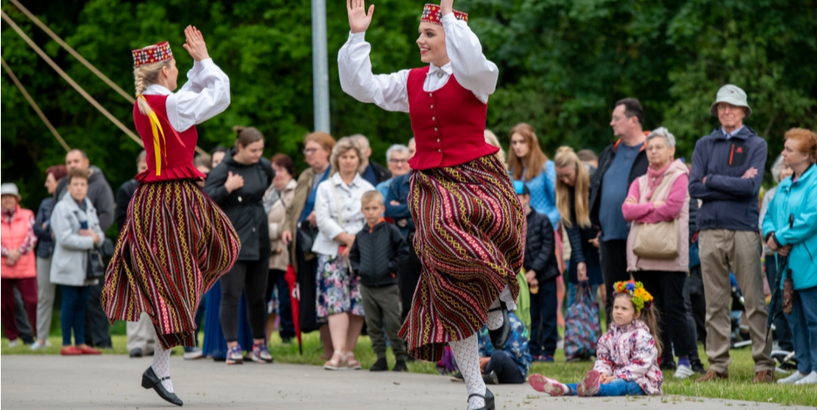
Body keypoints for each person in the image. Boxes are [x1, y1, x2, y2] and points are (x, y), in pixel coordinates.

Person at [340, 1, 526, 408]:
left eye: (429, 34)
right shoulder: (413, 82)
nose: (419, 40)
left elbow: (473, 58)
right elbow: (362, 86)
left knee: (483, 245)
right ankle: (476, 388)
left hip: (476, 179)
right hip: (432, 186)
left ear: (450, 36)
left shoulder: (477, 77)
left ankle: (497, 302)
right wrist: (357, 37)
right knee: (444, 280)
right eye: (421, 33)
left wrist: (447, 15)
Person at [101, 29, 239, 406]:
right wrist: (205, 59)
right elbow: (219, 95)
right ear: (164, 72)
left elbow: (189, 94)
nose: (178, 71)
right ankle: (160, 366)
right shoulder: (171, 106)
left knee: (210, 259)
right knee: (192, 273)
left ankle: (158, 365)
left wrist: (196, 64)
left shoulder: (147, 101)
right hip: (172, 202)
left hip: (162, 199)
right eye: (174, 66)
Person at [688, 84, 774, 383]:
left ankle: (764, 365)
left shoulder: (756, 144)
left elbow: (751, 188)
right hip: (709, 230)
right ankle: (718, 365)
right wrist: (729, 182)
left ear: (743, 112)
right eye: (722, 107)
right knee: (715, 303)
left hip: (743, 230)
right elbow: (694, 187)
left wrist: (712, 180)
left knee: (754, 300)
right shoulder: (704, 144)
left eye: (732, 107)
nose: (726, 111)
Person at [620, 127, 694, 379]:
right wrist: (653, 206)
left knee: (674, 307)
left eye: (659, 147)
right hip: (643, 255)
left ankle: (684, 359)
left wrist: (641, 210)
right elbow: (626, 212)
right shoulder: (639, 181)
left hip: (670, 254)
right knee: (649, 309)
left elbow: (672, 208)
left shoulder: (679, 176)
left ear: (671, 150)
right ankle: (658, 359)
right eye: (650, 148)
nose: (653, 151)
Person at [205, 126, 274, 365]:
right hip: (233, 238)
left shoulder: (263, 166)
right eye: (253, 150)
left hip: (259, 236)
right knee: (231, 295)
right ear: (241, 147)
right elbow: (206, 197)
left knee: (258, 296)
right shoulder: (224, 169)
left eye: (261, 150)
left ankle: (259, 344)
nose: (258, 154)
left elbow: (268, 181)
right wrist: (227, 188)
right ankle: (232, 346)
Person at [529, 280, 662, 397]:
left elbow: (639, 366)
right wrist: (602, 373)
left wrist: (614, 377)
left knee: (620, 386)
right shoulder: (609, 336)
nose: (618, 311)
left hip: (641, 381)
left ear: (636, 314)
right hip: (612, 377)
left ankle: (595, 389)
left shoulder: (643, 336)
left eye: (624, 309)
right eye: (616, 307)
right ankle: (565, 388)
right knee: (599, 383)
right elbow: (603, 359)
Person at [312, 137, 375, 370]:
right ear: (336, 159)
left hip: (361, 251)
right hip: (330, 251)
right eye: (344, 156)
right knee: (335, 300)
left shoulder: (368, 188)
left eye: (352, 157)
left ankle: (350, 351)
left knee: (357, 300)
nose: (348, 161)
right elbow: (322, 219)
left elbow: (372, 216)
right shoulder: (325, 187)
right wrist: (345, 238)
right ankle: (337, 351)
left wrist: (355, 241)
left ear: (359, 160)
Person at [763, 128, 817, 385]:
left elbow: (809, 220)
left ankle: (816, 367)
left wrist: (780, 238)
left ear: (806, 155)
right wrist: (771, 236)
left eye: (789, 149)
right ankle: (804, 368)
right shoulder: (784, 185)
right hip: (786, 265)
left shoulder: (815, 181)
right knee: (794, 318)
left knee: (813, 318)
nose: (783, 153)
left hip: (810, 262)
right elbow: (769, 217)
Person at [589, 98, 649, 327]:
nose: (611, 123)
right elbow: (596, 187)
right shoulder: (610, 152)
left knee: (645, 296)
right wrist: (597, 221)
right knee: (613, 297)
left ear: (633, 121)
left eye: (617, 118)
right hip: (609, 235)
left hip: (642, 235)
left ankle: (650, 348)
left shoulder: (651, 150)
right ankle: (613, 350)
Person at [53, 148, 115, 349]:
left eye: (82, 184)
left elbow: (99, 230)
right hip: (68, 264)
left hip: (86, 264)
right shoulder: (62, 208)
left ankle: (80, 342)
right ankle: (65, 342)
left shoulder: (88, 204)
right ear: (68, 187)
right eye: (76, 185)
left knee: (83, 304)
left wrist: (95, 237)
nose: (79, 188)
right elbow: (64, 238)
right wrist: (91, 240)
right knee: (69, 304)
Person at [282, 131, 336, 358]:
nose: (309, 155)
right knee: (313, 296)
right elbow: (292, 207)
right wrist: (287, 227)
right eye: (307, 150)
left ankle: (339, 348)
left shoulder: (336, 173)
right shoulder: (305, 175)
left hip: (327, 243)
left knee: (329, 294)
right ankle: (327, 348)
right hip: (303, 245)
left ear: (328, 151)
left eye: (314, 150)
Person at [349, 190, 411, 372]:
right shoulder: (360, 235)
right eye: (367, 208)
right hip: (367, 287)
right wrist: (360, 270)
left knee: (393, 323)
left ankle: (400, 359)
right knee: (373, 325)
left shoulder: (390, 230)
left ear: (382, 209)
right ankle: (381, 358)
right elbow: (353, 256)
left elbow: (403, 251)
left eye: (374, 208)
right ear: (362, 210)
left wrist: (391, 267)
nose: (371, 212)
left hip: (387, 286)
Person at [114, 151, 158, 358]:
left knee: (155, 298)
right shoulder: (127, 189)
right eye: (143, 168)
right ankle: (136, 342)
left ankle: (152, 342)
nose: (146, 172)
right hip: (134, 247)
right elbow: (121, 220)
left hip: (157, 250)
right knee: (137, 296)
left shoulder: (162, 188)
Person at [553, 147, 603, 307]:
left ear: (577, 168)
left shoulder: (595, 177)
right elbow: (571, 227)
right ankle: (576, 332)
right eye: (561, 177)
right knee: (577, 296)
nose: (565, 181)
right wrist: (580, 259)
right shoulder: (562, 189)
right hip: (580, 243)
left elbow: (606, 209)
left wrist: (602, 234)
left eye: (568, 175)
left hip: (600, 240)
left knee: (604, 294)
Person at [517, 182, 558, 362]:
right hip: (526, 277)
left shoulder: (542, 219)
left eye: (518, 195)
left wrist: (534, 273)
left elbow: (547, 248)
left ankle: (548, 350)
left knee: (548, 314)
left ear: (527, 198)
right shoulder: (515, 223)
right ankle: (532, 349)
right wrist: (526, 274)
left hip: (546, 275)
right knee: (531, 314)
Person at [759, 155, 794, 353]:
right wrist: (776, 241)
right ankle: (784, 346)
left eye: (790, 168)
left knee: (798, 300)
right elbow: (763, 221)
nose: (787, 172)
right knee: (779, 299)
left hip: (796, 253)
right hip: (773, 255)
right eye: (784, 168)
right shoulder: (772, 194)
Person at [30, 165, 68, 350]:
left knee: (72, 297)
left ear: (59, 182)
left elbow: (65, 230)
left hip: (66, 255)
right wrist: (50, 230)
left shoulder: (70, 202)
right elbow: (37, 229)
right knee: (45, 297)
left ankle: (74, 340)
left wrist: (50, 227)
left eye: (49, 181)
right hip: (45, 254)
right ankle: (41, 339)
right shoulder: (45, 203)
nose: (46, 184)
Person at [384, 139, 420, 325]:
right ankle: (410, 344)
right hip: (407, 243)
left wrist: (405, 214)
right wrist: (415, 209)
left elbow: (434, 213)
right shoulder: (398, 183)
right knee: (408, 296)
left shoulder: (436, 178)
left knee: (435, 295)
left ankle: (440, 345)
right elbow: (388, 210)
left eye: (417, 150)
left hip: (431, 243)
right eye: (411, 151)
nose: (413, 154)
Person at [264, 153, 297, 343]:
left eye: (280, 170)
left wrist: (266, 230)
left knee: (285, 297)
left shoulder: (294, 190)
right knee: (264, 296)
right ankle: (261, 336)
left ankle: (288, 334)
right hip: (266, 252)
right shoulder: (267, 191)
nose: (276, 174)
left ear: (289, 172)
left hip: (284, 252)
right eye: (274, 170)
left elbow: (288, 223)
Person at [1, 183, 38, 348]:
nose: (7, 200)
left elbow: (32, 237)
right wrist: (7, 253)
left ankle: (39, 337)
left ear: (17, 199)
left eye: (10, 196)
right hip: (3, 266)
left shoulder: (27, 214)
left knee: (32, 302)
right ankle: (12, 338)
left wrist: (17, 253)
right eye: (4, 197)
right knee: (6, 305)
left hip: (25, 265)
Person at [452, 311, 531, 384]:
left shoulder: (515, 323)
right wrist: (478, 361)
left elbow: (516, 354)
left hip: (513, 369)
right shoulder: (486, 323)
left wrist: (487, 360)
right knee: (459, 356)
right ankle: (483, 375)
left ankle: (473, 375)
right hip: (489, 365)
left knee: (498, 357)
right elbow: (481, 346)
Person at [507, 123, 559, 227]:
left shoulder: (547, 167)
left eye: (522, 142)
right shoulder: (512, 170)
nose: (517, 146)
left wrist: (545, 222)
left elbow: (560, 205)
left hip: (545, 229)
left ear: (531, 143)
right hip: (521, 230)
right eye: (514, 142)